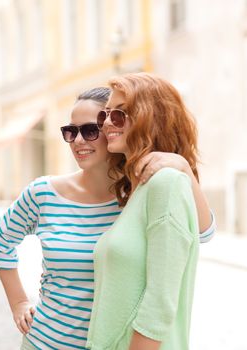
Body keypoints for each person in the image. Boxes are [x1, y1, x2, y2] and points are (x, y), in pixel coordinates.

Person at [0, 87, 215, 350]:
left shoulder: (139, 195)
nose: (78, 140)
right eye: (71, 131)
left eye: (90, 130)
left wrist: (184, 167)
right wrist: (19, 303)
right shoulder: (43, 193)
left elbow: (202, 233)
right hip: (44, 342)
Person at [86, 73, 204, 350]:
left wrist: (184, 167)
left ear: (151, 117)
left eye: (121, 114)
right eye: (105, 115)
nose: (107, 125)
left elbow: (160, 302)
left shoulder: (166, 183)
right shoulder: (137, 190)